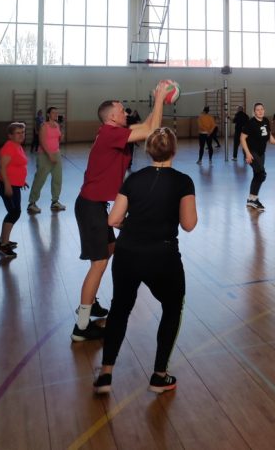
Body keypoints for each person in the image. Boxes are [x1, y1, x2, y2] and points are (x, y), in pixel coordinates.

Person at [93, 127, 197, 395]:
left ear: (149, 150)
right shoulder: (183, 181)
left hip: (127, 252)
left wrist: (133, 224)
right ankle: (159, 375)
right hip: (162, 256)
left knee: (120, 308)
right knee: (172, 308)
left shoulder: (134, 179)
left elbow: (113, 219)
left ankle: (105, 374)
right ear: (174, 151)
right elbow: (188, 224)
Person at [71, 83, 167, 342]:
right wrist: (159, 98)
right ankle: (81, 326)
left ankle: (90, 302)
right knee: (99, 263)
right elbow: (152, 131)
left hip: (95, 206)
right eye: (122, 110)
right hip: (90, 207)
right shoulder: (110, 134)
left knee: (109, 250)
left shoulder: (113, 131)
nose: (126, 112)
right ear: (112, 117)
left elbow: (146, 125)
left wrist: (158, 101)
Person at [0, 122, 28, 258]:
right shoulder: (9, 147)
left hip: (14, 184)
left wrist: (21, 180)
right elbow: (2, 167)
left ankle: (2, 241)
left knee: (14, 212)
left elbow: (16, 165)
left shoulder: (17, 146)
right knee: (14, 212)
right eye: (18, 133)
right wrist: (7, 185)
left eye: (23, 132)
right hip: (6, 184)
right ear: (10, 135)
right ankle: (3, 245)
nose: (21, 135)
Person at [241, 103, 275, 211]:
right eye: (257, 110)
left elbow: (269, 135)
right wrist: (247, 153)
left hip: (261, 153)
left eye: (262, 109)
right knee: (261, 174)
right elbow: (242, 138)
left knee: (257, 174)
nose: (260, 111)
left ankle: (251, 199)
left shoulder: (266, 121)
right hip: (251, 152)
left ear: (264, 110)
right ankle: (254, 199)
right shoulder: (251, 123)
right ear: (254, 112)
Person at [27, 106, 65, 213]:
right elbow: (42, 141)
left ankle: (55, 202)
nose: (56, 114)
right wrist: (49, 155)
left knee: (58, 178)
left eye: (57, 113)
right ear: (48, 115)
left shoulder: (57, 125)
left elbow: (59, 140)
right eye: (53, 113)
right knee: (40, 179)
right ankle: (32, 203)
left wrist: (62, 129)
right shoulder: (44, 126)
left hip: (56, 153)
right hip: (44, 155)